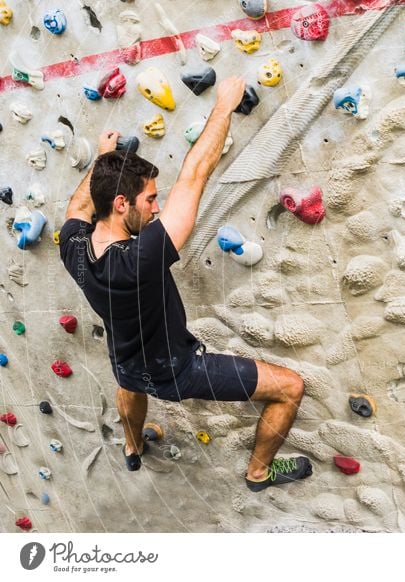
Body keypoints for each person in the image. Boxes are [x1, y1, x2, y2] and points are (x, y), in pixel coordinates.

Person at [59, 76, 312, 491]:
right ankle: (259, 472)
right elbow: (195, 174)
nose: (157, 208)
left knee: (127, 384)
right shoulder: (142, 258)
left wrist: (106, 162)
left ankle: (132, 446)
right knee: (290, 387)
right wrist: (224, 106)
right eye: (150, 199)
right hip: (177, 371)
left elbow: (78, 205)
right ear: (120, 205)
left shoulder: (74, 248)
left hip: (125, 361)